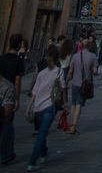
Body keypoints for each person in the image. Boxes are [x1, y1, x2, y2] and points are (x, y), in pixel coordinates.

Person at [25, 46, 65, 171]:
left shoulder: (41, 73)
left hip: (38, 107)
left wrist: (28, 107)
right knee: (42, 135)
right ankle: (31, 162)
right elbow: (62, 88)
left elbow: (34, 92)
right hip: (49, 107)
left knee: (42, 132)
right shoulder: (59, 72)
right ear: (57, 59)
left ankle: (43, 153)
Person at [0, 32, 24, 165]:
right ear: (20, 44)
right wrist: (17, 99)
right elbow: (17, 82)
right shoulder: (18, 61)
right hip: (8, 96)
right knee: (7, 125)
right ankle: (6, 154)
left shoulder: (1, 58)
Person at [66, 36, 98, 135]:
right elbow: (95, 71)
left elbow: (70, 72)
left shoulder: (75, 56)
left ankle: (71, 124)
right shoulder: (93, 56)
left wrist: (66, 81)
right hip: (84, 84)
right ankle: (73, 127)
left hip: (75, 83)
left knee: (73, 104)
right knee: (79, 105)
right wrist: (92, 71)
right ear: (90, 45)